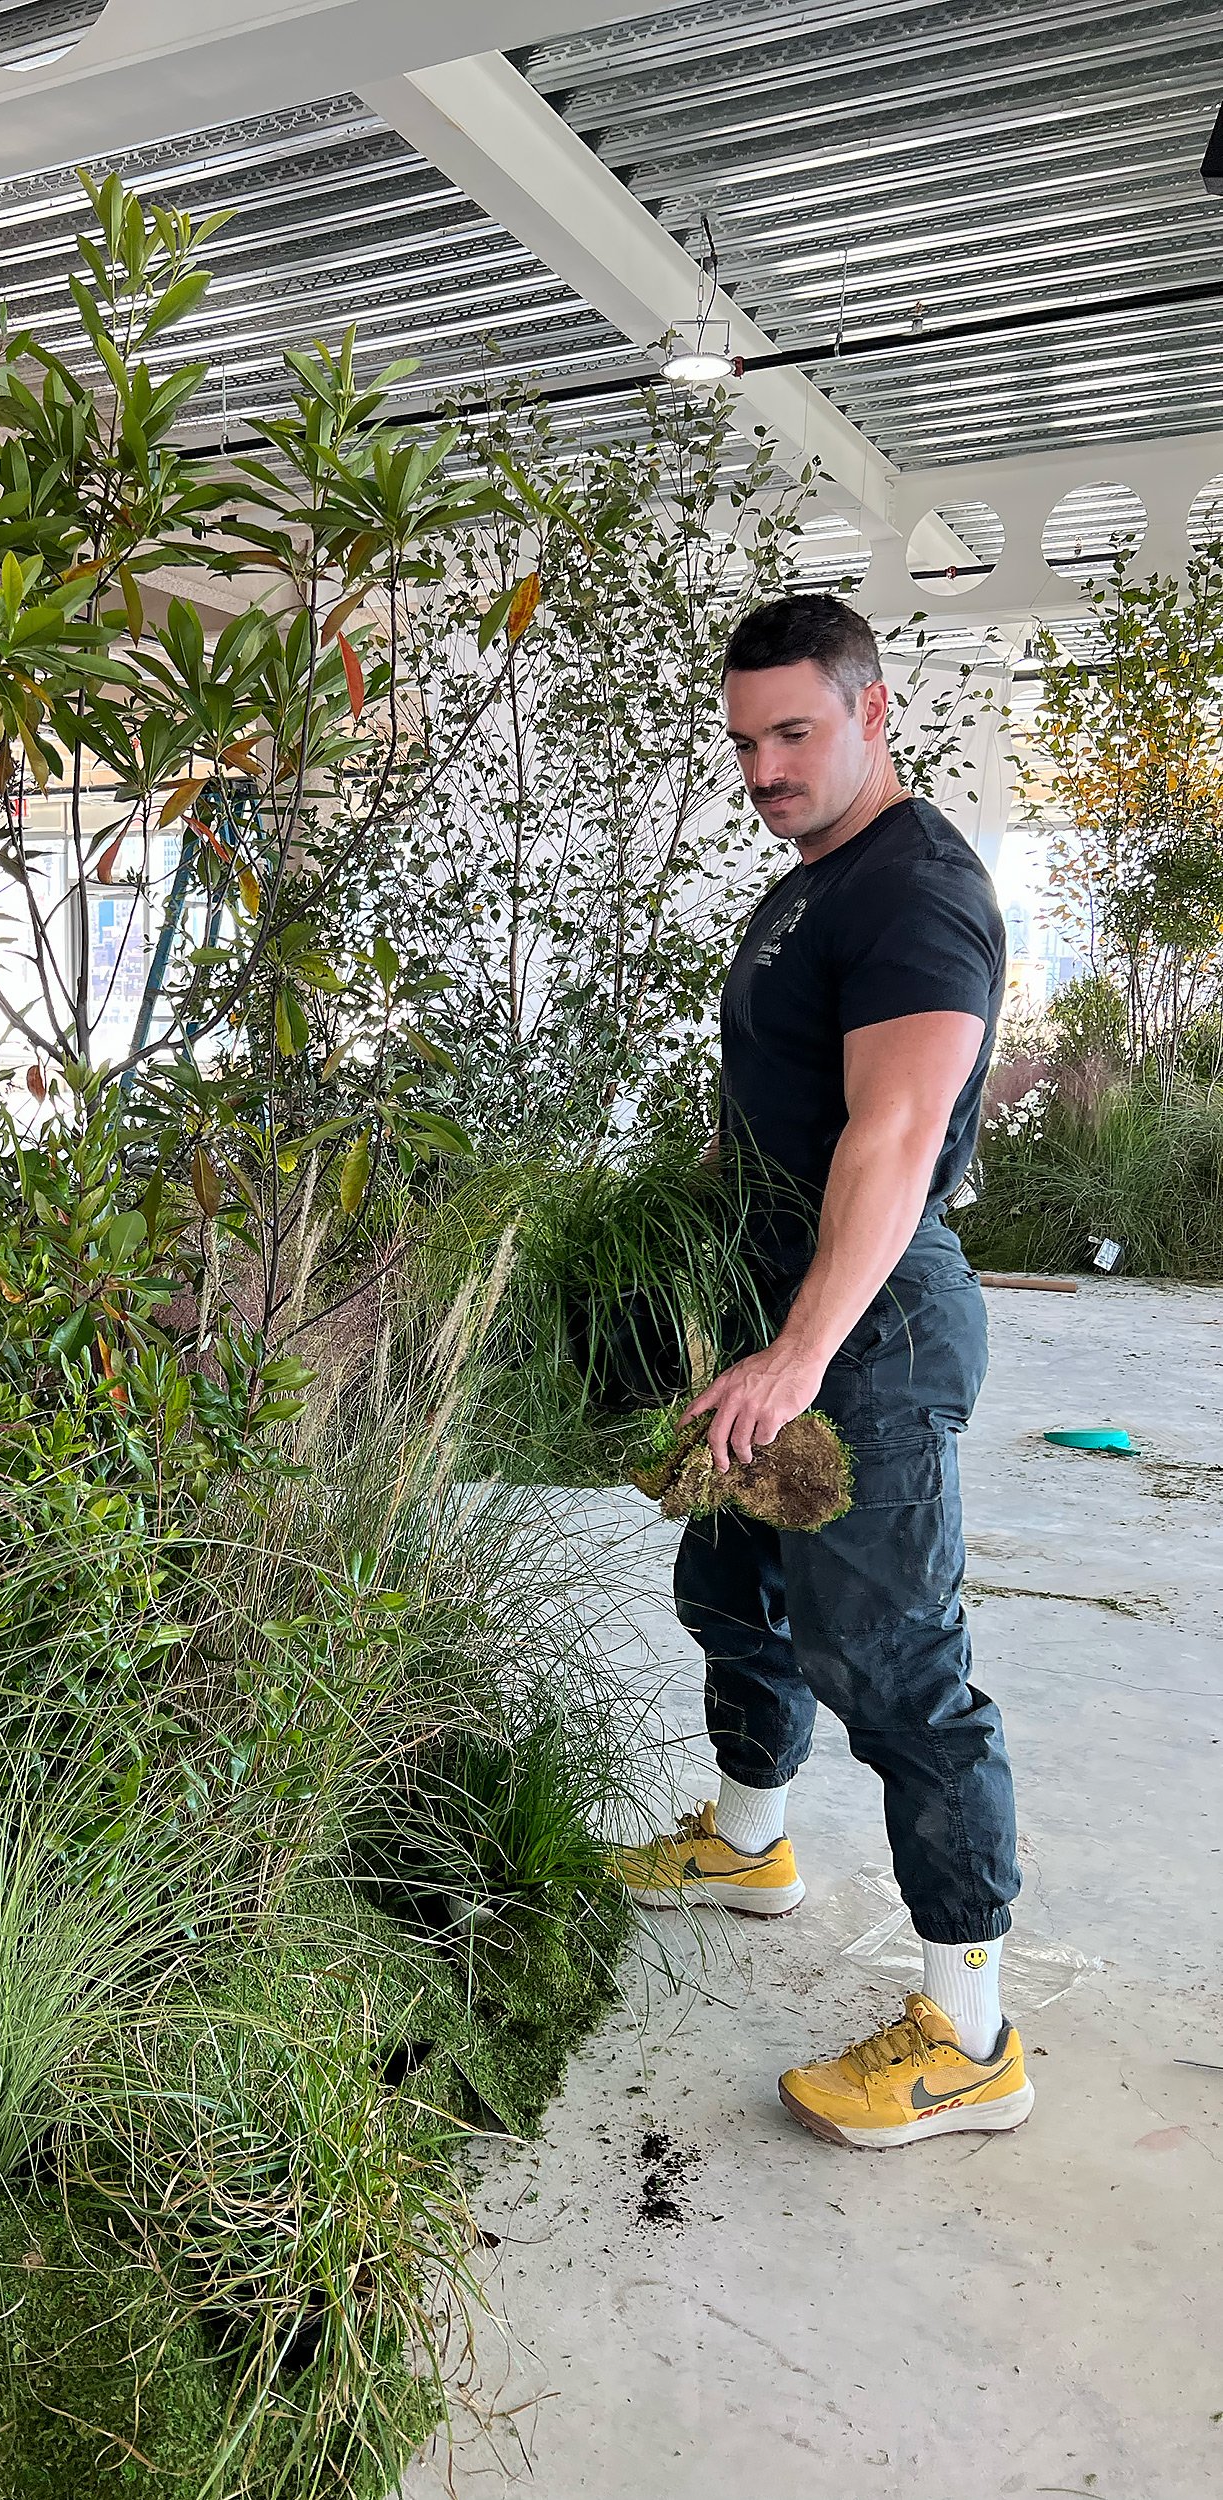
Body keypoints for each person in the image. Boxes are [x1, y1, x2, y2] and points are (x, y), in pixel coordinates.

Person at [616, 592, 1031, 2151]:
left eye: (795, 732)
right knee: (735, 1591)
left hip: (868, 1329)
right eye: (745, 740)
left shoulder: (912, 891)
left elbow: (899, 1135)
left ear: (873, 712)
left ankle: (971, 2029)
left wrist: (798, 1354)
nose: (766, 766)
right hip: (775, 1318)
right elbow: (776, 1107)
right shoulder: (810, 885)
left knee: (893, 1661)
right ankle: (750, 1843)